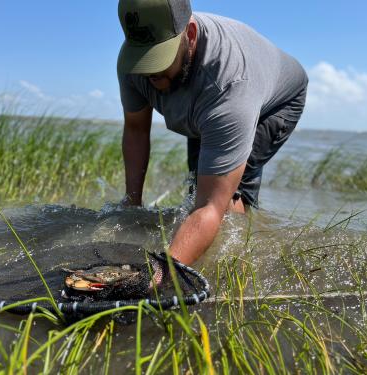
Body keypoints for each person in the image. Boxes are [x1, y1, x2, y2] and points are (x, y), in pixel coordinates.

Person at [117, 0, 308, 266]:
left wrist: (163, 271)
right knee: (197, 187)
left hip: (275, 102)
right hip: (206, 97)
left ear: (190, 36)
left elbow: (210, 207)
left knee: (227, 200)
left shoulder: (230, 86)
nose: (149, 72)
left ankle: (235, 268)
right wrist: (132, 206)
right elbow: (136, 129)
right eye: (144, 59)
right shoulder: (133, 60)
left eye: (159, 59)